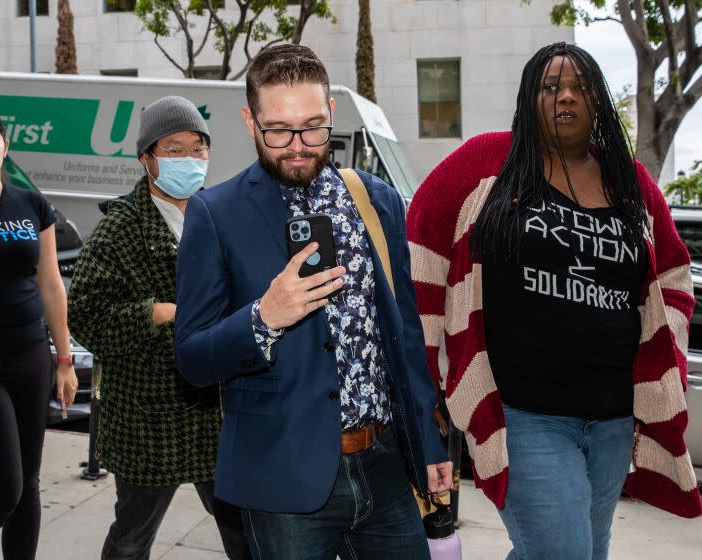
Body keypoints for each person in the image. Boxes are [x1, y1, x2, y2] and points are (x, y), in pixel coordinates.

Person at [407, 42, 702, 560]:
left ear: (598, 101)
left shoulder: (630, 183)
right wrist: (428, 362)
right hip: (523, 416)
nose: (565, 97)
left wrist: (667, 357)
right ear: (530, 98)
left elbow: (675, 275)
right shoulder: (484, 162)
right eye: (550, 87)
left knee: (582, 550)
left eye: (579, 87)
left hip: (612, 420)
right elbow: (420, 242)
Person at [174, 44, 451, 560]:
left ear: (332, 116)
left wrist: (429, 444)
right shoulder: (214, 214)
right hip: (281, 479)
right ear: (250, 121)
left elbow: (406, 334)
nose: (298, 145)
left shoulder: (377, 201)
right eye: (278, 129)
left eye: (313, 126)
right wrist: (263, 319)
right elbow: (191, 358)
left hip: (387, 463)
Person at [67, 95, 250, 560]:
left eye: (198, 148)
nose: (189, 159)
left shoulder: (221, 216)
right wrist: (157, 313)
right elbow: (84, 313)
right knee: (133, 534)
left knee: (241, 527)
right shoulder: (120, 229)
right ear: (146, 157)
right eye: (174, 149)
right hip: (149, 417)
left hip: (217, 410)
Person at [0, 104, 78, 559]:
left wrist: (63, 359)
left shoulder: (31, 202)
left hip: (31, 357)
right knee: (6, 485)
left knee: (30, 482)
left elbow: (50, 285)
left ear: (6, 145)